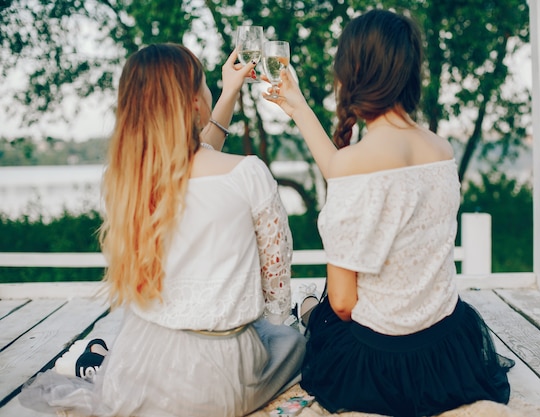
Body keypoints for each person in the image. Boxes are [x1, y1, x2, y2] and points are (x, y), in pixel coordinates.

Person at [19, 43, 306, 417]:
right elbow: (276, 288)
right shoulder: (248, 173)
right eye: (205, 82)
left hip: (139, 363)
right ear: (193, 102)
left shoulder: (127, 182)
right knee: (290, 339)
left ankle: (98, 357)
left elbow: (189, 160)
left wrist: (228, 92)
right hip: (221, 377)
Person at [263, 9, 514, 417]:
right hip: (447, 350)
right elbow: (347, 173)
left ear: (354, 72)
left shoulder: (358, 164)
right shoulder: (440, 150)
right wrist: (298, 107)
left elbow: (344, 304)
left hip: (383, 364)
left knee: (322, 311)